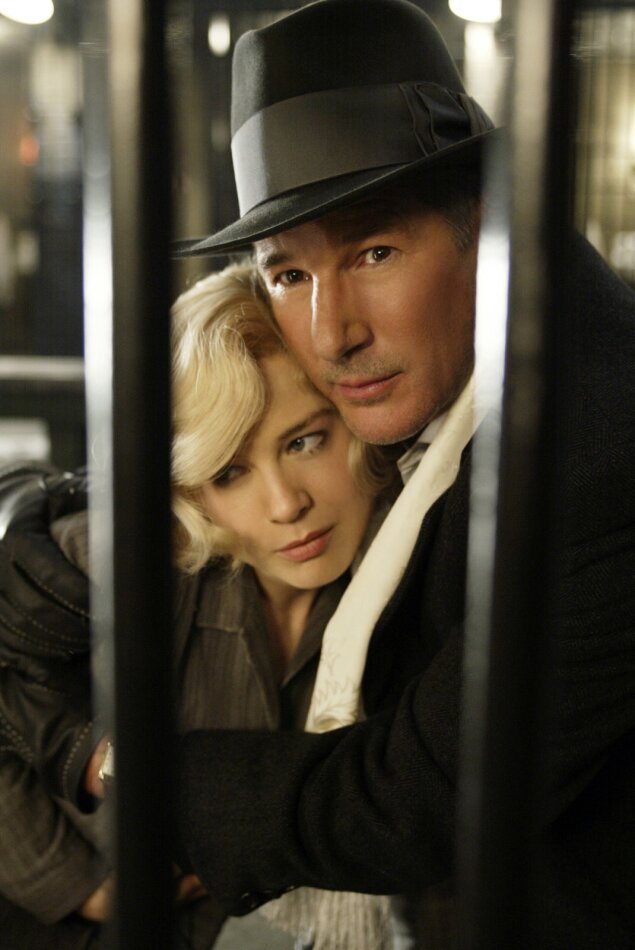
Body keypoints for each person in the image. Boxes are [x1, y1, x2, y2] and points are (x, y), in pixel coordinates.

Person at [0, 0, 634, 947]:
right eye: (287, 274)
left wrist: (103, 759)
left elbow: (402, 803)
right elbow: (222, 433)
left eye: (375, 251)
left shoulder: (592, 446)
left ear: (485, 224)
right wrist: (32, 505)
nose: (332, 333)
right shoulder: (448, 379)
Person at [0, 262, 397, 949]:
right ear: (191, 491)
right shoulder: (113, 562)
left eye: (305, 441)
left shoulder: (415, 568)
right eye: (230, 471)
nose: (286, 505)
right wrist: (75, 883)